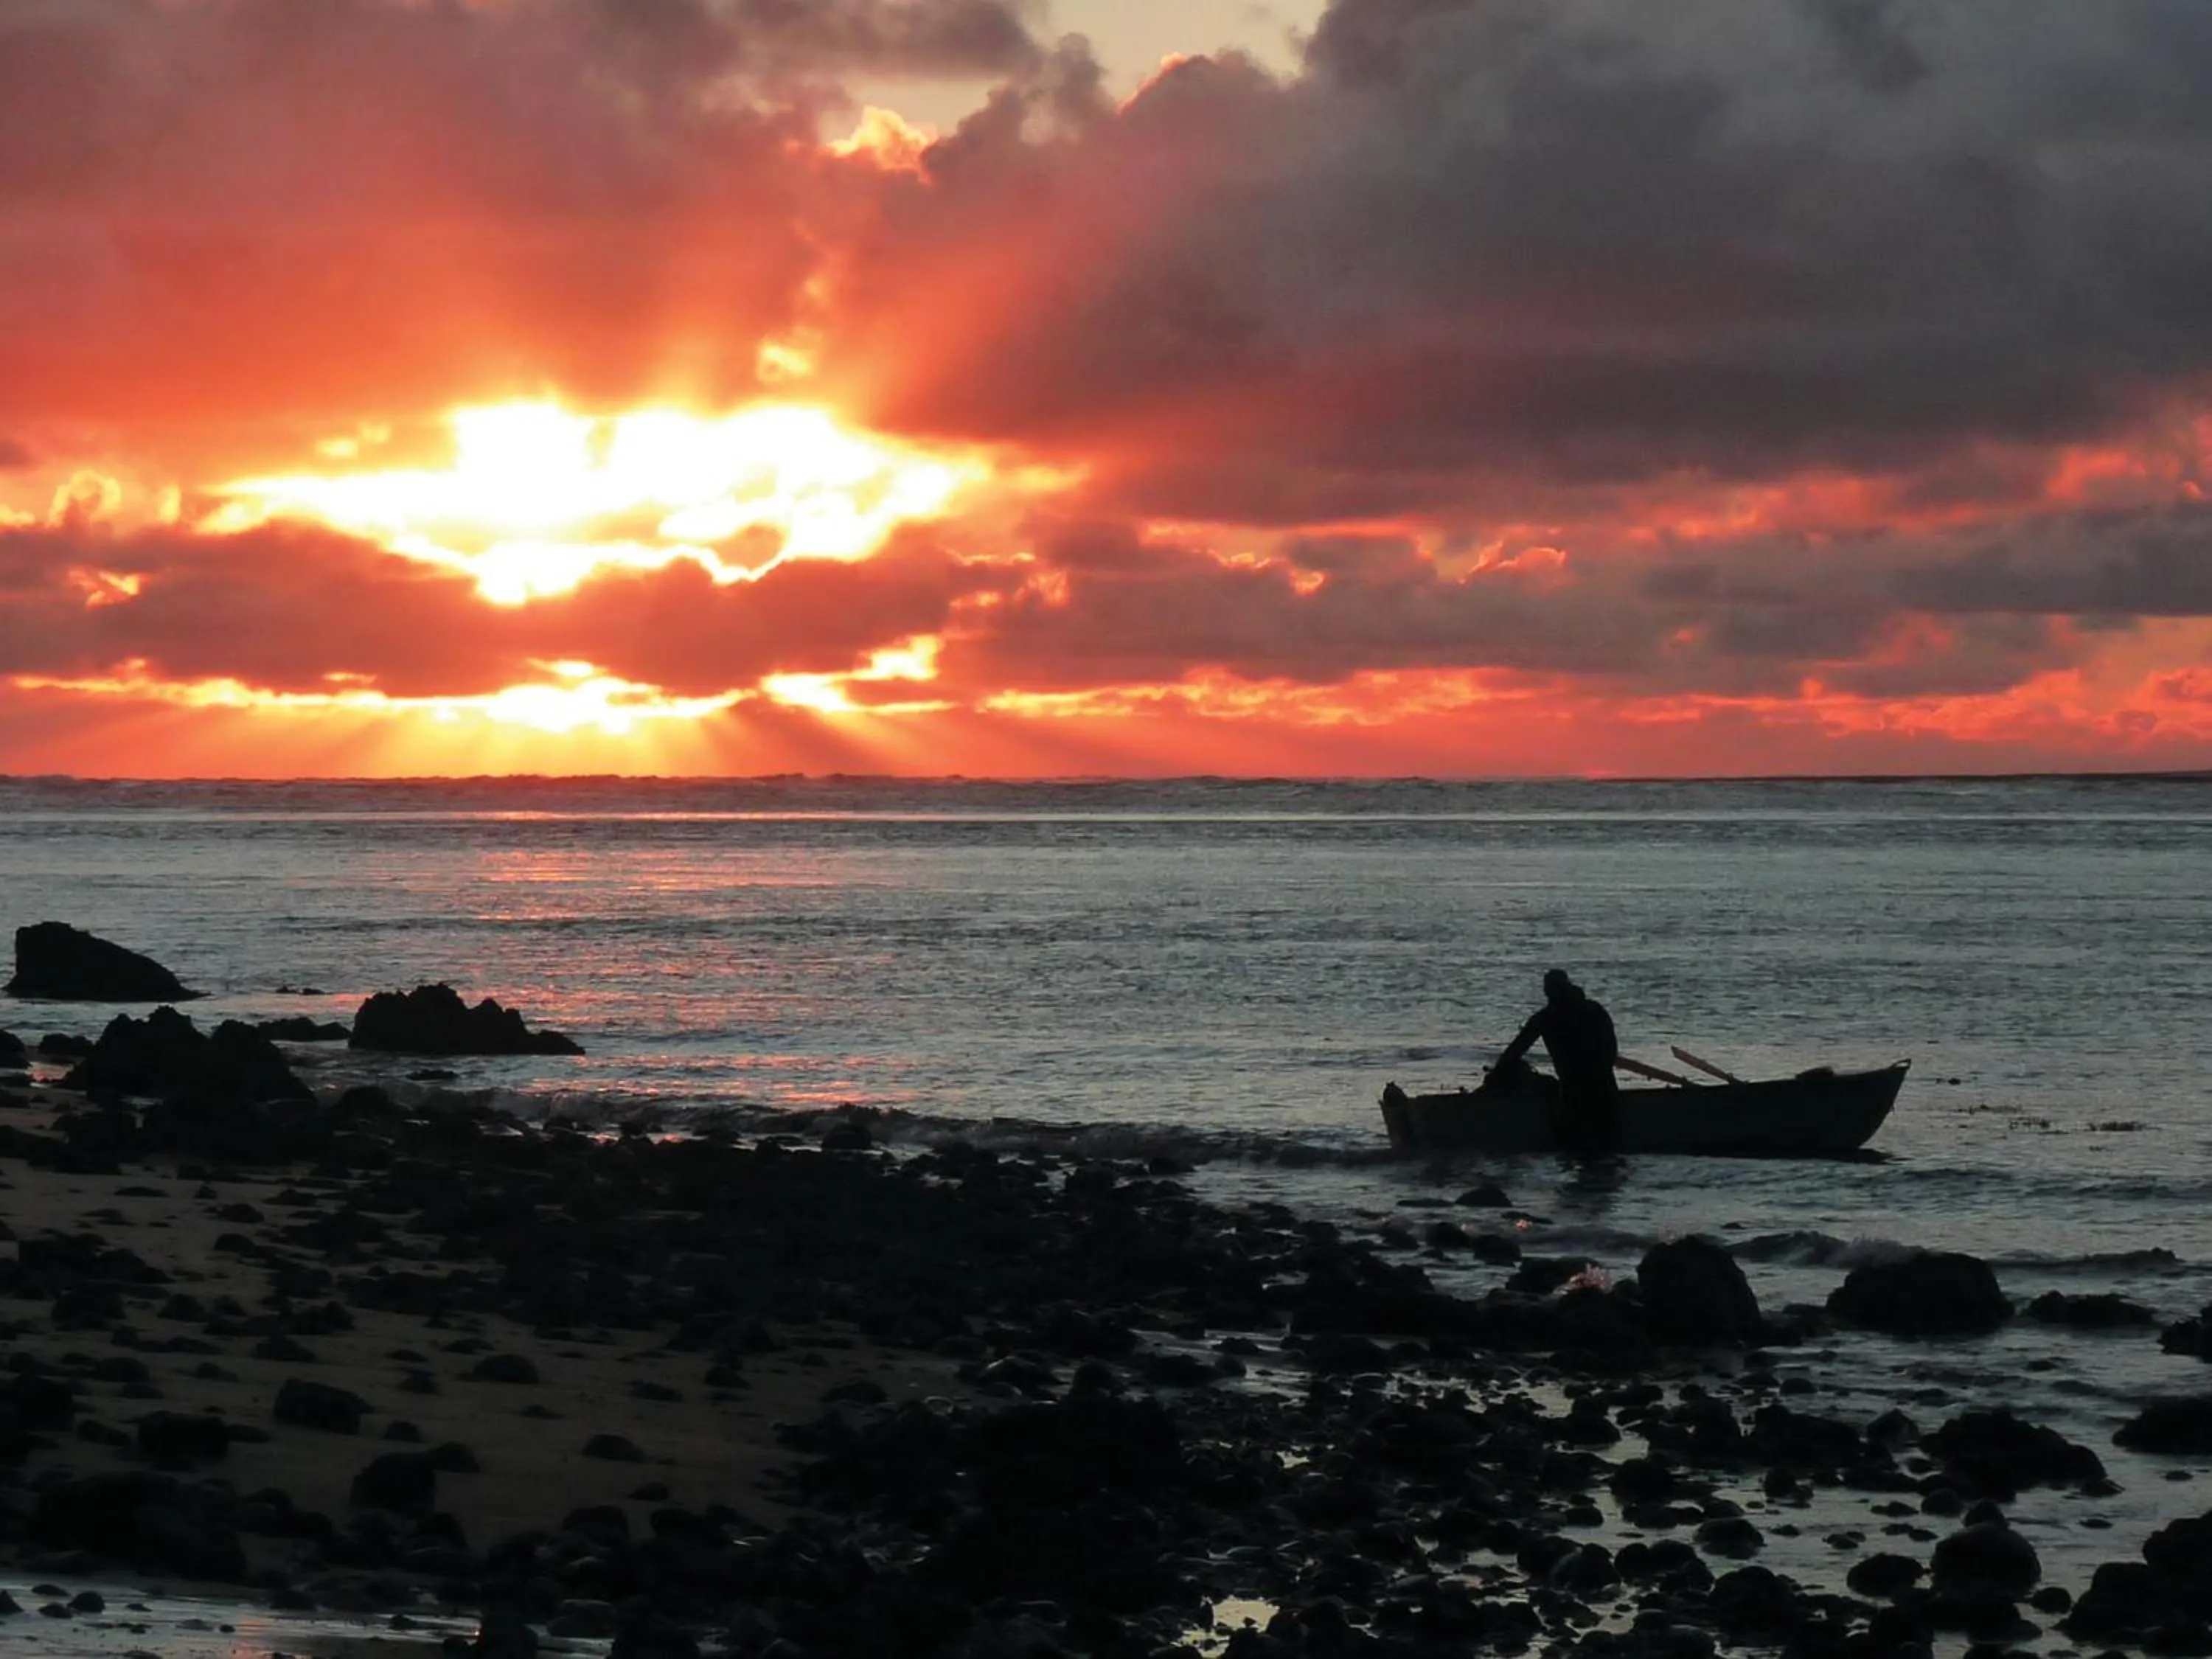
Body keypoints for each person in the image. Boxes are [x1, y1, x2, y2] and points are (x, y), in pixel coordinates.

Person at [1493, 969, 1622, 1157]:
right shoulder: (1594, 1009)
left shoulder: (1547, 1017)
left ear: (1548, 992)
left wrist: (1497, 1076)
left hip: (1575, 1089)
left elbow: (1515, 1051)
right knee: (1608, 1149)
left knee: (1571, 1147)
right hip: (1604, 1086)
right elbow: (1611, 1049)